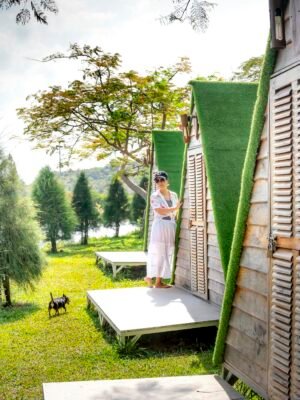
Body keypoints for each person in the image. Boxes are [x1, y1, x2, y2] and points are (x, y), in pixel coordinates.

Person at [144, 171, 182, 288]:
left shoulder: (174, 195)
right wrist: (174, 208)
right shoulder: (154, 196)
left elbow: (177, 212)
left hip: (171, 226)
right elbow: (159, 211)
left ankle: (152, 278)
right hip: (160, 226)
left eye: (162, 180)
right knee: (159, 252)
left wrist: (176, 212)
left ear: (167, 182)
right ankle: (155, 280)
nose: (160, 182)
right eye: (157, 180)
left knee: (167, 252)